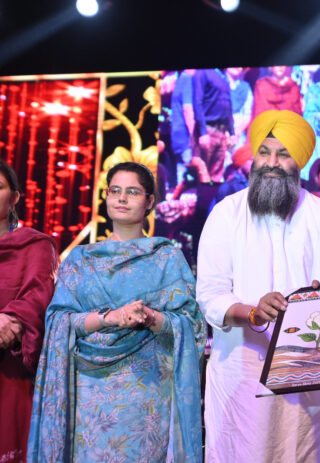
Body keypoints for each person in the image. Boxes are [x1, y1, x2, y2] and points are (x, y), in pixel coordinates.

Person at [196, 110, 320, 462]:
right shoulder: (226, 213)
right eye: (264, 152)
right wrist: (253, 312)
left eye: (283, 154)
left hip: (311, 376)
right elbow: (210, 294)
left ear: (299, 162)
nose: (271, 163)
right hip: (240, 370)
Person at [27, 162, 206, 463]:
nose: (122, 198)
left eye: (133, 192)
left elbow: (192, 325)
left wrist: (149, 317)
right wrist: (110, 318)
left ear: (149, 202)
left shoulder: (166, 258)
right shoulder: (80, 259)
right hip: (89, 392)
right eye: (115, 191)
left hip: (147, 394)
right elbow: (59, 321)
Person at [0, 161, 57, 463]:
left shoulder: (35, 245)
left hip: (10, 369)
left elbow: (39, 295)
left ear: (14, 197)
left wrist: (10, 320)